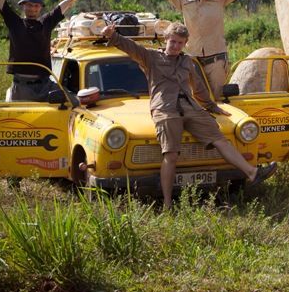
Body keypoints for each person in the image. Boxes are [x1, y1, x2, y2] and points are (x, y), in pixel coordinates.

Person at [103, 22, 276, 210]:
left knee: (220, 139)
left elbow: (199, 87)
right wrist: (113, 35)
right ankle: (168, 204)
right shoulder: (150, 57)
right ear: (166, 40)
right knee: (171, 155)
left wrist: (212, 106)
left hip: (190, 107)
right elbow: (130, 47)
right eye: (173, 42)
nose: (176, 46)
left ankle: (252, 172)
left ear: (185, 43)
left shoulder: (187, 61)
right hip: (165, 109)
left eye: (180, 43)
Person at [152, 0, 263, 94]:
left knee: (217, 99)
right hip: (193, 61)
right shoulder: (182, 2)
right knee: (196, 100)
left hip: (216, 61)